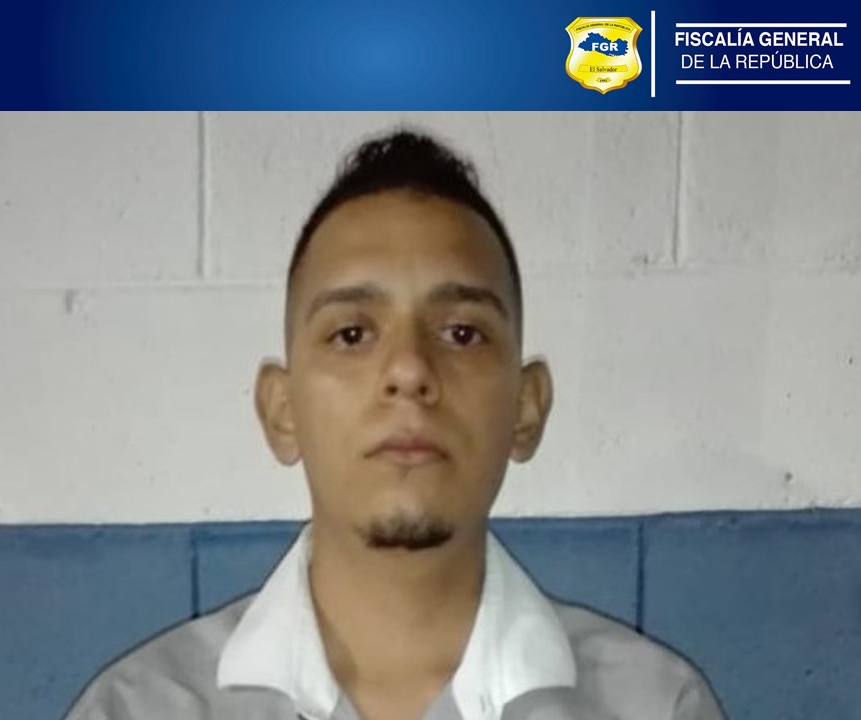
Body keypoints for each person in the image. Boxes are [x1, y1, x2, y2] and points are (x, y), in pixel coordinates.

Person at [63, 130, 724, 720]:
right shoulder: (136, 710)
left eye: (462, 333)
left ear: (526, 408)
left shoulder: (654, 707)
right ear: (282, 411)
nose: (409, 370)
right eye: (352, 334)